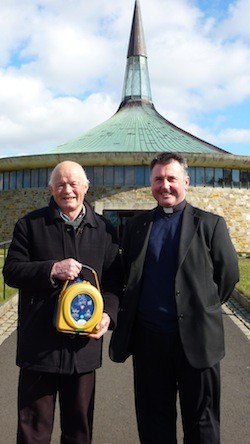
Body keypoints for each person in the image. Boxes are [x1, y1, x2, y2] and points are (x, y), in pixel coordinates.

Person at [109, 152, 239, 444]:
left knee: (202, 422)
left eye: (171, 178)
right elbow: (127, 275)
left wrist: (202, 308)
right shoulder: (136, 227)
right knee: (153, 420)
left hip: (197, 340)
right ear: (151, 183)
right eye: (158, 179)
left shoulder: (210, 225)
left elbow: (228, 274)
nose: (164, 185)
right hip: (149, 343)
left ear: (186, 182)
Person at [3, 160, 121, 444]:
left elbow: (116, 284)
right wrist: (51, 269)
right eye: (60, 184)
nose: (67, 190)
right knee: (33, 430)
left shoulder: (105, 230)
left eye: (73, 183)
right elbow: (12, 271)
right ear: (51, 188)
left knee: (79, 429)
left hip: (83, 349)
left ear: (86, 187)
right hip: (39, 348)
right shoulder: (30, 225)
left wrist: (108, 316)